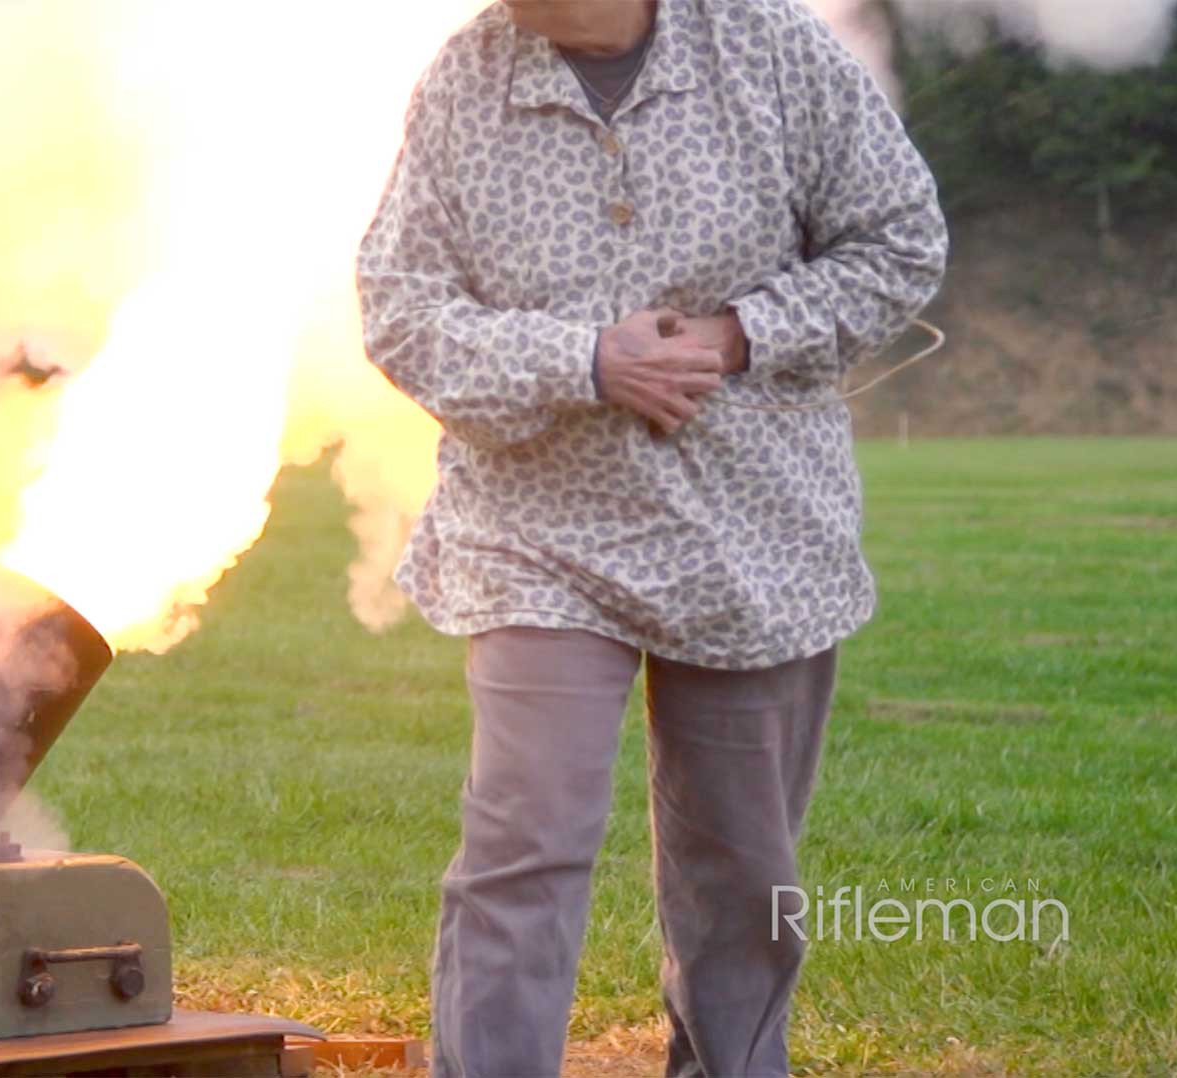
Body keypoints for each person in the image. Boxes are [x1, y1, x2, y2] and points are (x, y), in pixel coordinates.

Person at [356, 0, 947, 1075]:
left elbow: (900, 239)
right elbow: (400, 309)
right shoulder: (466, 78)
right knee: (521, 847)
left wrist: (737, 337)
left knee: (739, 872)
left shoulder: (770, 48)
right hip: (538, 531)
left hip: (755, 529)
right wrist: (584, 360)